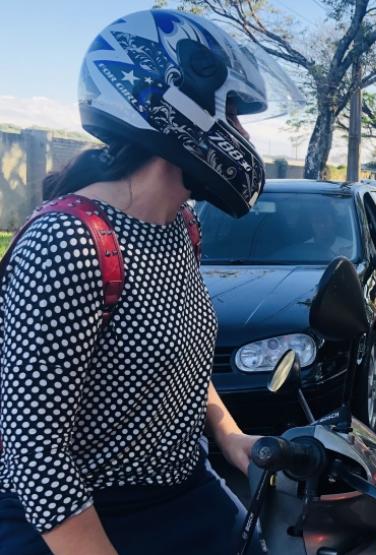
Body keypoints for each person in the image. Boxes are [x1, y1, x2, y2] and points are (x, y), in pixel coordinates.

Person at [0, 9, 303, 555]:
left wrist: (229, 435)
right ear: (174, 105)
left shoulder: (181, 226)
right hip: (81, 517)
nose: (242, 136)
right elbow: (35, 454)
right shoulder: (70, 241)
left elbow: (179, 360)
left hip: (184, 489)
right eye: (233, 113)